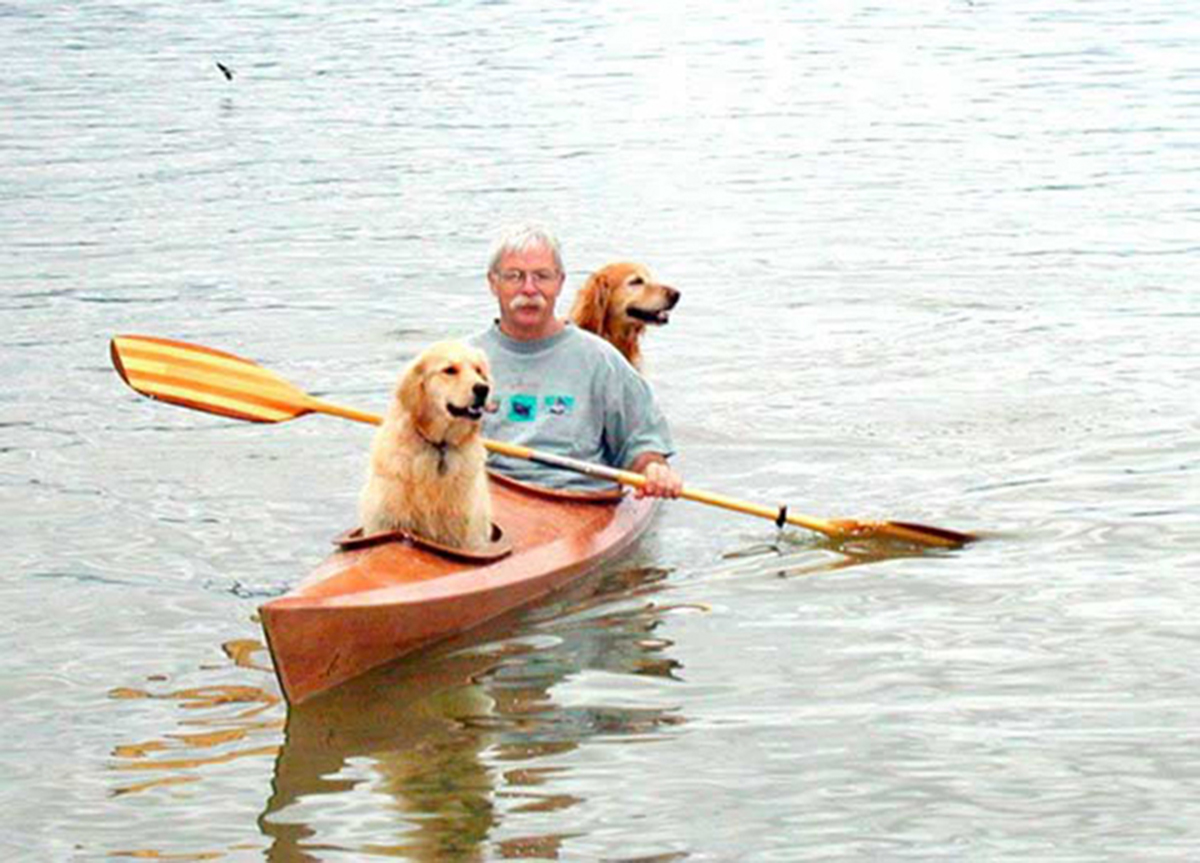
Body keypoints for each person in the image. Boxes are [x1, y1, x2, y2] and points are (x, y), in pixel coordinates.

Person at [468, 224, 683, 499]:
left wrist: (654, 470)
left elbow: (642, 446)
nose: (529, 289)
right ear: (493, 283)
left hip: (573, 499)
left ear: (559, 282)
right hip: (484, 496)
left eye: (542, 277)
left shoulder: (601, 360)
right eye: (514, 276)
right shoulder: (460, 359)